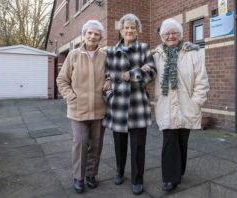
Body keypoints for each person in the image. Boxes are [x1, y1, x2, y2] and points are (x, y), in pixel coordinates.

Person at [102, 13, 157, 195]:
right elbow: (106, 79)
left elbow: (152, 73)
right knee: (119, 144)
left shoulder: (143, 49)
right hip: (117, 104)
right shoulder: (110, 51)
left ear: (137, 30)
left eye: (133, 28)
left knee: (138, 146)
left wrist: (132, 74)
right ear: (120, 30)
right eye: (126, 27)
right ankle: (119, 171)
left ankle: (137, 179)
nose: (129, 30)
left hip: (137, 105)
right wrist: (110, 95)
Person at [153, 18, 209, 191]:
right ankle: (170, 178)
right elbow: (145, 74)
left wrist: (196, 102)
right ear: (162, 36)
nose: (170, 36)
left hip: (187, 105)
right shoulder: (155, 56)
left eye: (174, 33)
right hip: (165, 105)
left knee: (182, 141)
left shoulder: (193, 54)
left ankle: (179, 170)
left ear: (180, 34)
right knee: (169, 141)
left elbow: (202, 81)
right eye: (167, 33)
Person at [56, 20, 107, 194]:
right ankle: (78, 177)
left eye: (96, 34)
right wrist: (71, 97)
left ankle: (91, 174)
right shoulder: (73, 55)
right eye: (90, 33)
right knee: (80, 143)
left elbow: (110, 76)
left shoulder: (105, 56)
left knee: (96, 145)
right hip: (78, 110)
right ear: (84, 34)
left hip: (99, 109)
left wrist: (109, 82)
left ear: (100, 37)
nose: (93, 36)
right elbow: (62, 80)